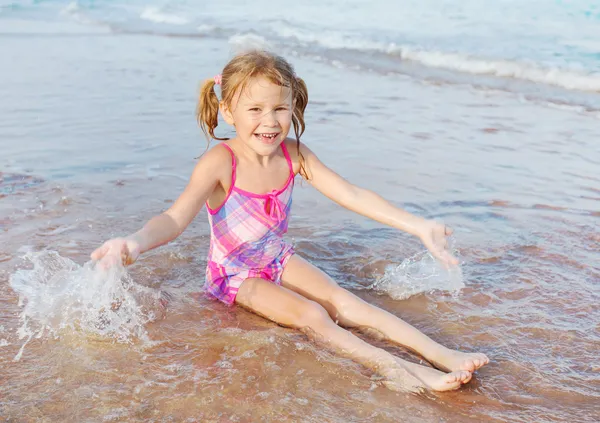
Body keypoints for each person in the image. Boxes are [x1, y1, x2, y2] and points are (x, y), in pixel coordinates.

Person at [91, 50, 489, 392]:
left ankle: (442, 354)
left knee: (345, 302)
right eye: (255, 109)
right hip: (234, 275)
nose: (270, 121)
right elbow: (174, 218)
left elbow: (352, 194)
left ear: (293, 106)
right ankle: (404, 373)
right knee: (313, 316)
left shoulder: (294, 155)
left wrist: (418, 225)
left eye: (280, 108)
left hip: (276, 256)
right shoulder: (220, 163)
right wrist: (135, 242)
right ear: (228, 110)